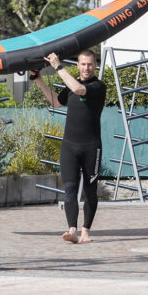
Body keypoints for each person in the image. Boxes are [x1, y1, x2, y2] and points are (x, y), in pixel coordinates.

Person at [30, 49, 106, 243]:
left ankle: (85, 231)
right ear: (78, 65)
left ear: (95, 66)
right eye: (83, 64)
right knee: (70, 189)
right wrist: (38, 80)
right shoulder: (71, 85)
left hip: (91, 147)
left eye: (90, 64)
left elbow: (79, 90)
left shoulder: (98, 86)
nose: (86, 68)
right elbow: (56, 101)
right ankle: (72, 230)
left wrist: (58, 67)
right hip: (69, 147)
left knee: (90, 190)